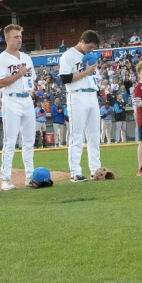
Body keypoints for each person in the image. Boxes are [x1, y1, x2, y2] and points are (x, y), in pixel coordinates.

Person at [0, 24, 37, 191]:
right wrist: (18, 74)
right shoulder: (2, 59)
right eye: (16, 37)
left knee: (29, 141)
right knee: (10, 141)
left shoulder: (26, 57)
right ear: (7, 39)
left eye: (20, 36)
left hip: (27, 99)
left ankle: (30, 176)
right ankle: (5, 179)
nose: (19, 39)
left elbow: (30, 79)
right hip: (11, 100)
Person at [59, 30, 103, 184]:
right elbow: (64, 78)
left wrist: (89, 73)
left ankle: (96, 169)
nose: (91, 50)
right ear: (82, 41)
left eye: (93, 48)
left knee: (94, 134)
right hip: (76, 95)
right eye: (90, 47)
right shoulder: (68, 55)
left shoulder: (90, 55)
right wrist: (86, 72)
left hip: (92, 94)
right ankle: (75, 172)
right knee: (77, 135)